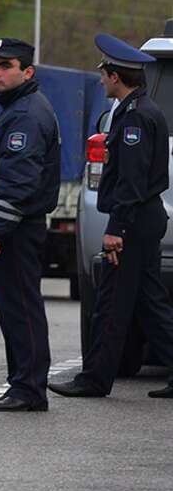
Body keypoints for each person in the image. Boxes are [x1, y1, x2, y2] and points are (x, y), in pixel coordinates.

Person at [54, 34, 173, 398]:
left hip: (133, 222)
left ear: (116, 77)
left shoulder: (135, 118)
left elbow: (132, 182)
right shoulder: (138, 111)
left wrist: (115, 229)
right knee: (148, 301)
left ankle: (94, 379)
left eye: (104, 73)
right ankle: (99, 375)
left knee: (111, 302)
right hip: (145, 219)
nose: (101, 79)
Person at [0, 37, 61, 412]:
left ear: (27, 71)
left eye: (5, 66)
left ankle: (29, 388)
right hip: (15, 226)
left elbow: (18, 181)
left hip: (17, 229)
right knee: (12, 306)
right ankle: (22, 383)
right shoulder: (17, 109)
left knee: (21, 306)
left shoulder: (25, 115)